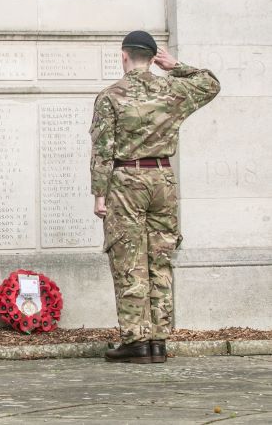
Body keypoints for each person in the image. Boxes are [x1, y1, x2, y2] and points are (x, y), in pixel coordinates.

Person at [89, 31, 220, 364]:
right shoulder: (173, 89)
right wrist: (175, 66)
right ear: (153, 58)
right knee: (160, 259)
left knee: (129, 258)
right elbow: (210, 84)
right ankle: (158, 341)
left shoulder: (111, 96)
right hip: (163, 178)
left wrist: (99, 195)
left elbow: (102, 149)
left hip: (126, 180)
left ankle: (136, 341)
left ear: (123, 56)